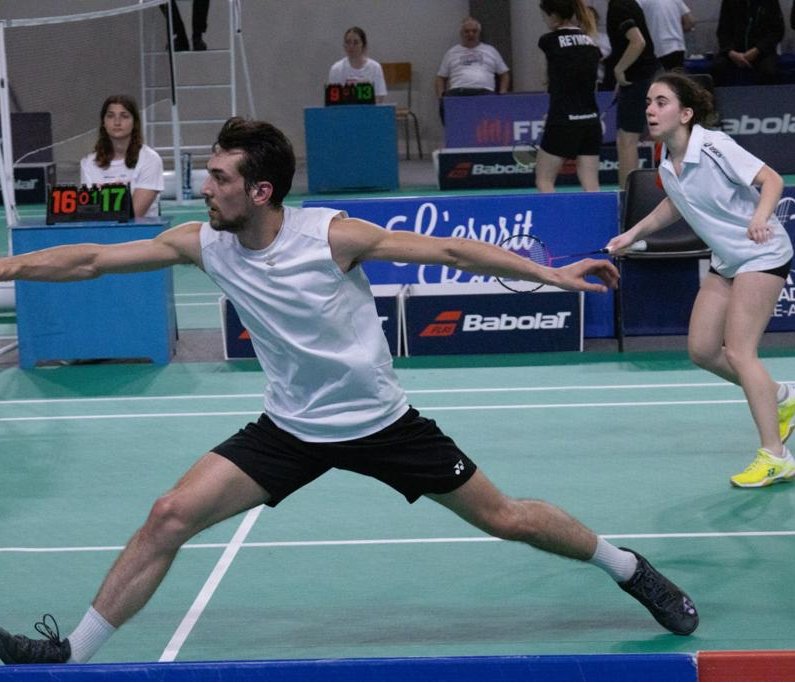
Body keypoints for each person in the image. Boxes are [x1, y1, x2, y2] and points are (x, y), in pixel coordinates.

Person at [0, 117, 698, 665]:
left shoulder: (330, 237)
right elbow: (90, 258)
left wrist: (551, 275)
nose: (203, 187)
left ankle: (629, 568)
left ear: (260, 190)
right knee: (168, 514)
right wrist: (6, 266)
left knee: (507, 517)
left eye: (216, 177)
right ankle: (69, 654)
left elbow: (451, 252)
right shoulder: (203, 242)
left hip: (379, 422)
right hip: (289, 427)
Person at [607, 73, 795, 488]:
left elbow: (772, 180)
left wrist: (761, 217)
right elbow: (676, 203)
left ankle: (775, 456)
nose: (651, 110)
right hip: (728, 259)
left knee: (740, 352)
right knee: (703, 350)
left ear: (686, 113)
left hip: (762, 255)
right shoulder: (666, 158)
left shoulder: (714, 146)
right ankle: (781, 398)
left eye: (661, 103)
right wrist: (632, 234)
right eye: (649, 103)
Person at [536, 0, 603, 192]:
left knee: (545, 180)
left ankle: (554, 222)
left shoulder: (548, 41)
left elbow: (544, 79)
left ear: (554, 16)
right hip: (591, 121)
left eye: (545, 16)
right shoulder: (591, 42)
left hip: (563, 119)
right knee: (591, 184)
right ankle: (596, 221)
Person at [80, 95, 164, 219]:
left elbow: (134, 214)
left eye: (124, 116)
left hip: (140, 234)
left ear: (134, 123)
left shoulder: (150, 160)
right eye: (110, 116)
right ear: (103, 122)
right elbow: (88, 210)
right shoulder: (88, 163)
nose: (117, 122)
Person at [606, 0, 661, 189]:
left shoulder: (619, 6)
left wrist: (619, 70)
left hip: (639, 79)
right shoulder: (629, 3)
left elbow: (638, 42)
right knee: (626, 139)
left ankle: (628, 195)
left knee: (627, 140)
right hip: (640, 77)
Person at [435, 16, 510, 123]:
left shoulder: (490, 50)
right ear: (461, 33)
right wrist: (441, 96)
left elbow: (504, 74)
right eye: (467, 31)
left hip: (484, 91)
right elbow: (440, 77)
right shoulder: (451, 52)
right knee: (446, 104)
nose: (471, 34)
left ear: (478, 33)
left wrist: (503, 92)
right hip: (458, 91)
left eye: (474, 31)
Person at [711, 0, 785, 86]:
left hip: (762, 51)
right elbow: (722, 31)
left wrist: (757, 50)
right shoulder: (729, 2)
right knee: (717, 67)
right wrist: (730, 52)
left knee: (769, 71)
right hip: (733, 52)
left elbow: (777, 32)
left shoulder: (770, 2)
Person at [327, 26, 387, 104]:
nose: (351, 46)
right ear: (344, 45)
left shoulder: (375, 68)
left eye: (356, 43)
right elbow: (333, 102)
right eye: (348, 42)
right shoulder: (336, 69)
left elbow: (379, 98)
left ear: (363, 46)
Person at [636, 0, 695, 71]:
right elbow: (690, 22)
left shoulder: (639, 1)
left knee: (661, 79)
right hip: (678, 46)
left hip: (657, 48)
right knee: (676, 78)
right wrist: (675, 30)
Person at [587, 5, 614, 90]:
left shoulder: (606, 39)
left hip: (604, 82)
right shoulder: (578, 39)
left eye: (591, 18)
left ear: (596, 19)